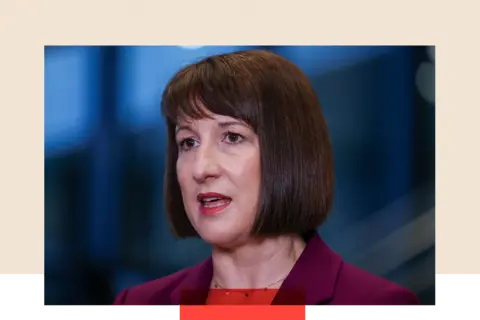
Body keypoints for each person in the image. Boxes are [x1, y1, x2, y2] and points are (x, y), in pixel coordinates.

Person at [113, 50, 421, 307]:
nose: (200, 168)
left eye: (232, 137)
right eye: (188, 142)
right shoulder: (139, 304)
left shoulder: (380, 303)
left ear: (289, 153)